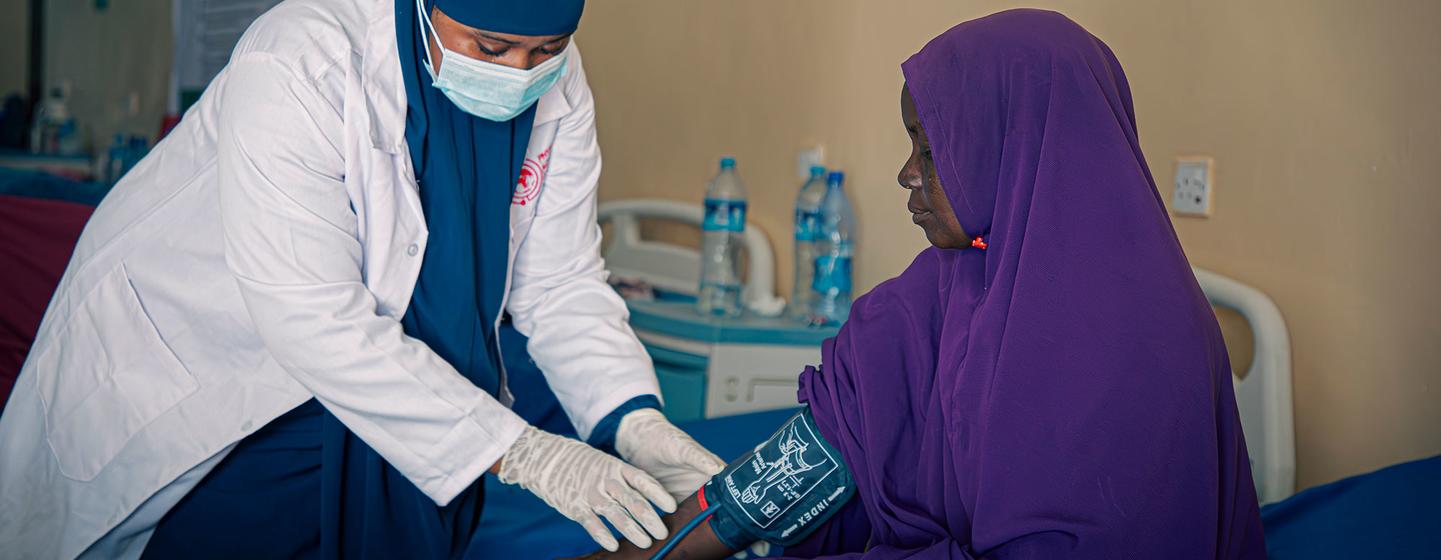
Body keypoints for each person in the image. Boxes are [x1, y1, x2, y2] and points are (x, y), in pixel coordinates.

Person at [0, 0, 725, 557]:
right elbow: (311, 317)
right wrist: (525, 451)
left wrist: (634, 421)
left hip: (398, 398)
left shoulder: (556, 86)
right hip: (225, 380)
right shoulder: (301, 58)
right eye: (491, 47)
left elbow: (560, 281)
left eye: (546, 50)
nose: (519, 75)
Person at [585, 9, 1265, 559]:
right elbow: (820, 454)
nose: (907, 173)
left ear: (1019, 148)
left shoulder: (1137, 348)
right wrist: (655, 553)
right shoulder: (938, 291)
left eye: (931, 149)